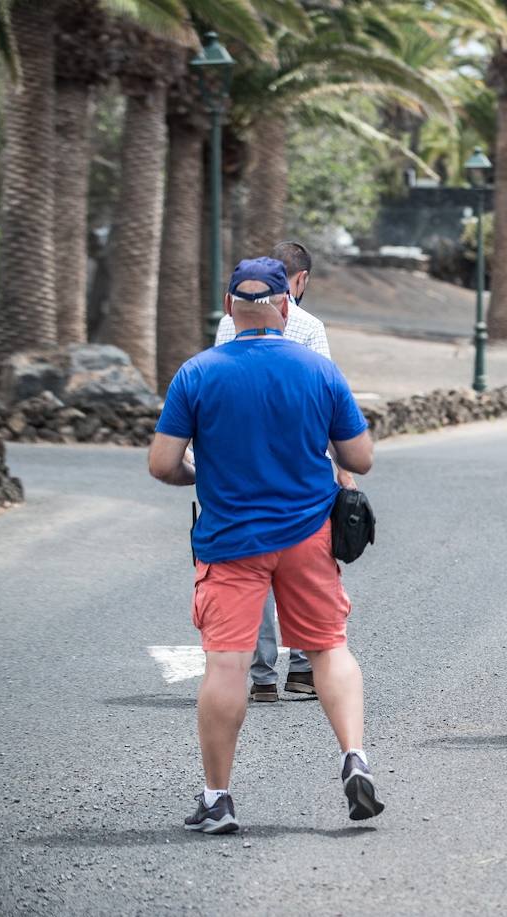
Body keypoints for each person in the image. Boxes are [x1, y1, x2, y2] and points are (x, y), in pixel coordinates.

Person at [149, 257, 384, 833]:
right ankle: (353, 756)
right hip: (307, 535)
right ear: (285, 307)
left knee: (226, 665)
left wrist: (197, 476)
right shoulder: (318, 371)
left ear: (230, 308)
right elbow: (360, 459)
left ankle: (217, 799)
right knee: (329, 648)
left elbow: (161, 464)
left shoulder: (197, 373)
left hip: (229, 539)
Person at [215, 240, 353, 704]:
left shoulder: (224, 325)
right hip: (302, 471)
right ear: (300, 281)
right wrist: (345, 475)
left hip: (240, 469)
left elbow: (220, 390)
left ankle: (262, 678)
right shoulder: (310, 327)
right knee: (305, 569)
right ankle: (301, 668)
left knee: (249, 570)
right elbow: (330, 403)